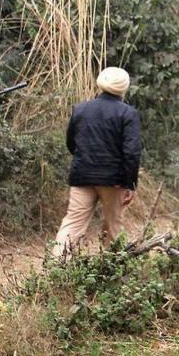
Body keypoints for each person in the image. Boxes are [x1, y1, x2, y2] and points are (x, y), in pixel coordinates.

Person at [52, 67, 141, 257]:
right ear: (124, 88)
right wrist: (129, 183)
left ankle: (55, 268)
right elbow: (132, 152)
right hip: (114, 181)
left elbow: (71, 142)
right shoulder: (128, 113)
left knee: (72, 224)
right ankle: (111, 272)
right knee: (113, 227)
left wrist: (84, 161)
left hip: (81, 176)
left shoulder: (81, 109)